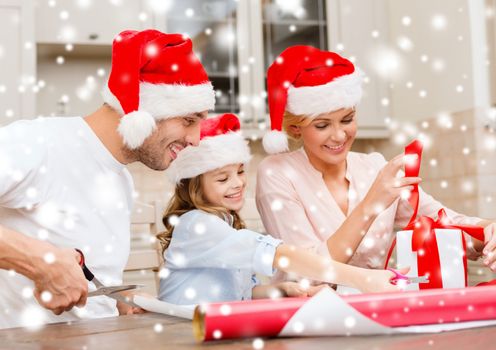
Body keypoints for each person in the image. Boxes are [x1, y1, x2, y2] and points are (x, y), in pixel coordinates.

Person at [0, 29, 215, 328]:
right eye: (188, 120)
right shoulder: (38, 143)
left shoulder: (121, 181)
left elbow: (90, 281)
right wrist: (39, 261)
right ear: (143, 110)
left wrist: (121, 298)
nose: (195, 139)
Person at [255, 45, 496, 284]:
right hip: (307, 315)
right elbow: (307, 272)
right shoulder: (277, 173)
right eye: (322, 125)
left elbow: (444, 222)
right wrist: (371, 204)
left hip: (377, 308)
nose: (339, 135)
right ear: (297, 127)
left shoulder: (374, 167)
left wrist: (487, 231)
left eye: (347, 120)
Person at [156, 113, 402, 305]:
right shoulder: (198, 225)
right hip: (181, 333)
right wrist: (363, 279)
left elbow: (241, 293)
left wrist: (283, 289)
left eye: (240, 172)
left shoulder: (225, 225)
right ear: (194, 188)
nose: (237, 183)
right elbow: (281, 255)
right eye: (222, 179)